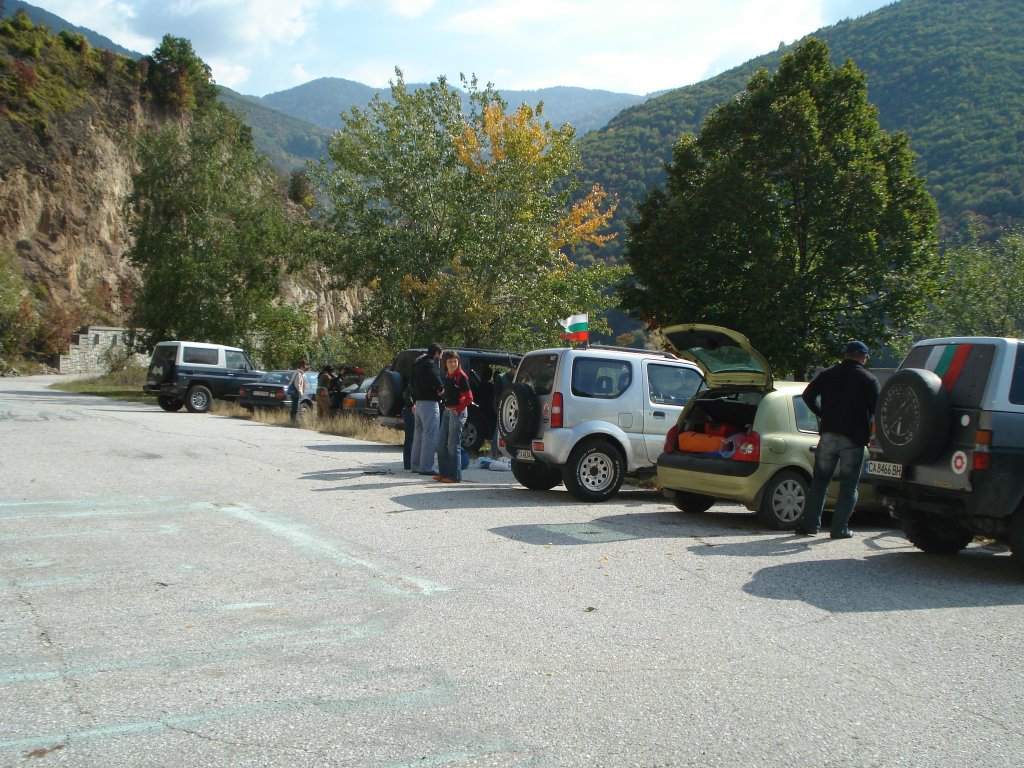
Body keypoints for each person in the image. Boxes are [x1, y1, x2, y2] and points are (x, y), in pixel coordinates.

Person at [796, 340, 880, 538]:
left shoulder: (828, 374)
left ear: (845, 355)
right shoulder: (869, 379)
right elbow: (877, 410)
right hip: (853, 439)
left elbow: (808, 395)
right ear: (863, 357)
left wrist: (822, 414)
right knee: (848, 485)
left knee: (819, 482)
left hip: (828, 435)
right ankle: (839, 529)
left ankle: (810, 526)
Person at [436, 350, 474, 483]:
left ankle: (454, 476)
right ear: (445, 364)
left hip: (457, 413)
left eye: (455, 361)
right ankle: (443, 474)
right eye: (450, 361)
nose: (453, 364)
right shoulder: (449, 375)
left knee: (453, 445)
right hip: (447, 411)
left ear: (458, 362)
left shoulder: (461, 376)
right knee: (441, 444)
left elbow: (469, 397)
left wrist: (458, 410)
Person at [410, 343, 444, 475]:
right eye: (441, 354)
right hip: (430, 403)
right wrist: (441, 389)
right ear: (437, 353)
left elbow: (411, 383)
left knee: (418, 435)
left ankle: (416, 465)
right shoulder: (431, 364)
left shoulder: (417, 364)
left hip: (418, 403)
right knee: (430, 435)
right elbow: (436, 378)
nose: (441, 357)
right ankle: (426, 468)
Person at [288, 359, 308, 424]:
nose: (305, 368)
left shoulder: (299, 373)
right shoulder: (298, 374)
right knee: (295, 407)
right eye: (305, 367)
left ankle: (293, 421)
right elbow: (297, 385)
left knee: (295, 407)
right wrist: (301, 393)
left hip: (295, 392)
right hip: (295, 392)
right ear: (302, 367)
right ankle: (293, 421)